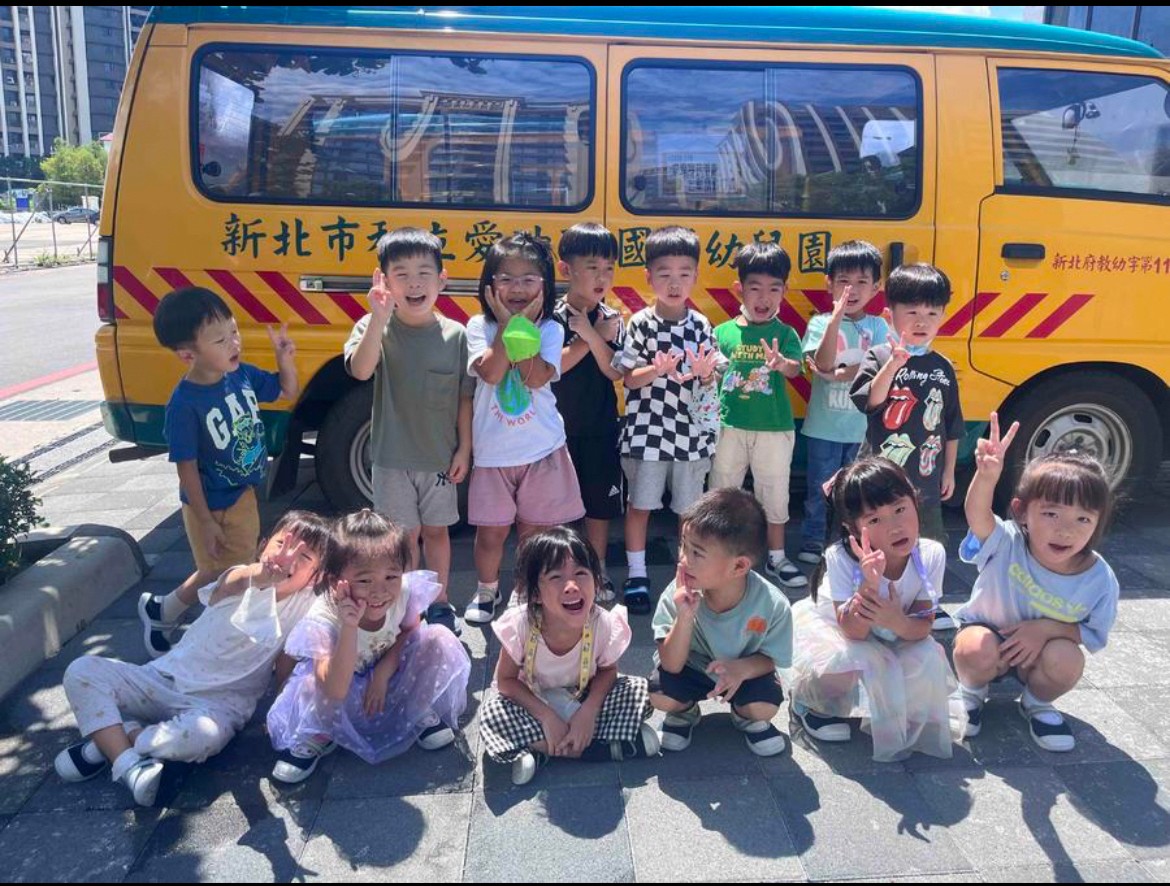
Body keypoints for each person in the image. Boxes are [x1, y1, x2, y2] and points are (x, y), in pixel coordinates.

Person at [56, 511, 330, 806]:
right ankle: (128, 765)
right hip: (160, 680)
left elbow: (305, 644)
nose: (288, 557)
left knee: (202, 739)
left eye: (304, 556)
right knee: (82, 670)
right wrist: (264, 575)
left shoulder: (305, 607)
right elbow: (239, 579)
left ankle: (117, 738)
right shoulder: (239, 579)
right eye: (281, 543)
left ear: (315, 576)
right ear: (262, 546)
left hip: (217, 707)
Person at [137, 285, 298, 656]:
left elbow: (286, 390)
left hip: (242, 493)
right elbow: (186, 468)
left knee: (220, 572)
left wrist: (284, 359)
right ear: (187, 354)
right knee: (230, 577)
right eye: (220, 339)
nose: (234, 342)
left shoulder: (241, 375)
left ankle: (163, 611)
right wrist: (206, 520)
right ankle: (210, 646)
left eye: (234, 331)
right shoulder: (184, 404)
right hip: (209, 504)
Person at [953, 414, 1119, 752]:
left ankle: (1037, 703)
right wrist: (986, 477)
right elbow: (978, 516)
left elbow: (1091, 632)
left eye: (1083, 518)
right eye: (1051, 513)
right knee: (972, 647)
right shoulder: (1006, 542)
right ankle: (971, 693)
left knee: (1069, 660)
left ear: (1099, 521)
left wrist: (1045, 629)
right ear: (1021, 511)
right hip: (989, 636)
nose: (1065, 530)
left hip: (1039, 655)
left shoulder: (1099, 578)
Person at [267, 510, 471, 783]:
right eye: (364, 580)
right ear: (334, 581)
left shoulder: (403, 592)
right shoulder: (323, 617)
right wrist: (349, 626)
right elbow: (334, 688)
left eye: (391, 576)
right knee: (308, 685)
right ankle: (319, 734)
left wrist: (383, 674)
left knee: (437, 638)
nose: (380, 591)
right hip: (343, 688)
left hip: (389, 675)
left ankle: (414, 709)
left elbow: (410, 632)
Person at [785, 458, 964, 762]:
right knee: (847, 661)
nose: (894, 527)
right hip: (840, 631)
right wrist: (869, 584)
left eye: (900, 509)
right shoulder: (841, 557)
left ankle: (885, 701)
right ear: (853, 529)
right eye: (875, 520)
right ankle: (812, 702)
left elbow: (923, 626)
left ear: (915, 500)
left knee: (927, 656)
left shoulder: (931, 553)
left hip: (893, 628)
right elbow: (852, 632)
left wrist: (896, 620)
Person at [344, 227, 474, 635]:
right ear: (384, 281)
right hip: (391, 460)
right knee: (403, 539)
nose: (414, 283)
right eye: (401, 274)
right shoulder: (373, 326)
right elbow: (361, 370)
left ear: (442, 279)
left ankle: (440, 601)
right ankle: (408, 606)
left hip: (439, 459)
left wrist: (464, 450)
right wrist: (378, 317)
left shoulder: (455, 335)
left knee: (437, 532)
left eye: (423, 273)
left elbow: (464, 398)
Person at [462, 232, 586, 625]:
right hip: (493, 455)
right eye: (506, 279)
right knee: (490, 534)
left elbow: (535, 378)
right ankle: (487, 590)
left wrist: (521, 328)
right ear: (489, 286)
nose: (517, 288)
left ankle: (524, 589)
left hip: (541, 450)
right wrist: (506, 325)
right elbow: (491, 372)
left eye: (529, 279)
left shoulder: (550, 329)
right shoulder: (478, 327)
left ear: (545, 286)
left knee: (535, 533)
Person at [480, 527, 659, 785]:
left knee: (641, 690)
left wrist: (588, 712)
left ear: (596, 581)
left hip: (582, 698)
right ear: (535, 594)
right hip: (532, 703)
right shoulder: (520, 625)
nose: (572, 586)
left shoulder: (602, 623)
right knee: (492, 711)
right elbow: (506, 682)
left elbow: (608, 671)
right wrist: (546, 716)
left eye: (581, 573)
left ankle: (540, 749)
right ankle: (599, 749)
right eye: (556, 577)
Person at [613, 225, 722, 614]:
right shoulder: (640, 323)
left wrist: (705, 373)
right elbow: (628, 378)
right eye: (665, 274)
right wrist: (655, 370)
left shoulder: (701, 325)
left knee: (687, 513)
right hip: (647, 434)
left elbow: (712, 375)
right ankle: (637, 574)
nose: (675, 283)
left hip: (690, 436)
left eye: (684, 274)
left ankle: (685, 573)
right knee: (639, 506)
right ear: (648, 277)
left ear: (695, 276)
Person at [850, 263, 963, 630]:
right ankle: (867, 596)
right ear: (889, 315)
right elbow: (869, 402)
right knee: (875, 535)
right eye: (911, 312)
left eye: (932, 313)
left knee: (929, 540)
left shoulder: (942, 367)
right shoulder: (879, 356)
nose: (922, 321)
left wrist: (949, 470)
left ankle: (929, 603)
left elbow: (951, 424)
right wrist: (894, 364)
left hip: (926, 478)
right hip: (882, 478)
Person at [649, 488, 792, 757]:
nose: (683, 559)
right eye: (683, 545)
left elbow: (772, 658)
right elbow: (671, 664)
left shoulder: (772, 604)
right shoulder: (677, 593)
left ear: (739, 566)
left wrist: (741, 669)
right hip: (692, 668)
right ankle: (684, 712)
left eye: (697, 553)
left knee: (765, 707)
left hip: (743, 672)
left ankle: (745, 714)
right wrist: (685, 615)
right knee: (659, 693)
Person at [709, 240, 807, 590]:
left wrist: (782, 363)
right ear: (739, 289)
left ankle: (776, 557)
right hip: (728, 425)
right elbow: (711, 376)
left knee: (775, 493)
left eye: (773, 289)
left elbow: (795, 369)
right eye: (755, 288)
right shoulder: (722, 332)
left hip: (774, 428)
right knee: (722, 492)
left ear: (784, 291)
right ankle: (718, 555)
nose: (764, 297)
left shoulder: (786, 333)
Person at [798, 240, 889, 565]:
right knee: (818, 489)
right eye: (843, 281)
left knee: (859, 490)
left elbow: (878, 366)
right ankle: (813, 540)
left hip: (862, 430)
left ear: (876, 288)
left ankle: (851, 541)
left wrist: (839, 373)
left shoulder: (878, 325)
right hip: (823, 427)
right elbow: (821, 363)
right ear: (829, 284)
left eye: (862, 282)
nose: (852, 289)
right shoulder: (819, 323)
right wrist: (835, 319)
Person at [551, 222, 626, 601]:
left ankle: (597, 571)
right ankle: (561, 573)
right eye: (592, 267)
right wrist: (587, 337)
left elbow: (614, 370)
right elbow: (553, 367)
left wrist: (594, 333)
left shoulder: (611, 317)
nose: (602, 277)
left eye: (609, 268)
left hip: (600, 426)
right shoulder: (550, 316)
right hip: (555, 431)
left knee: (599, 507)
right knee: (558, 510)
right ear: (566, 269)